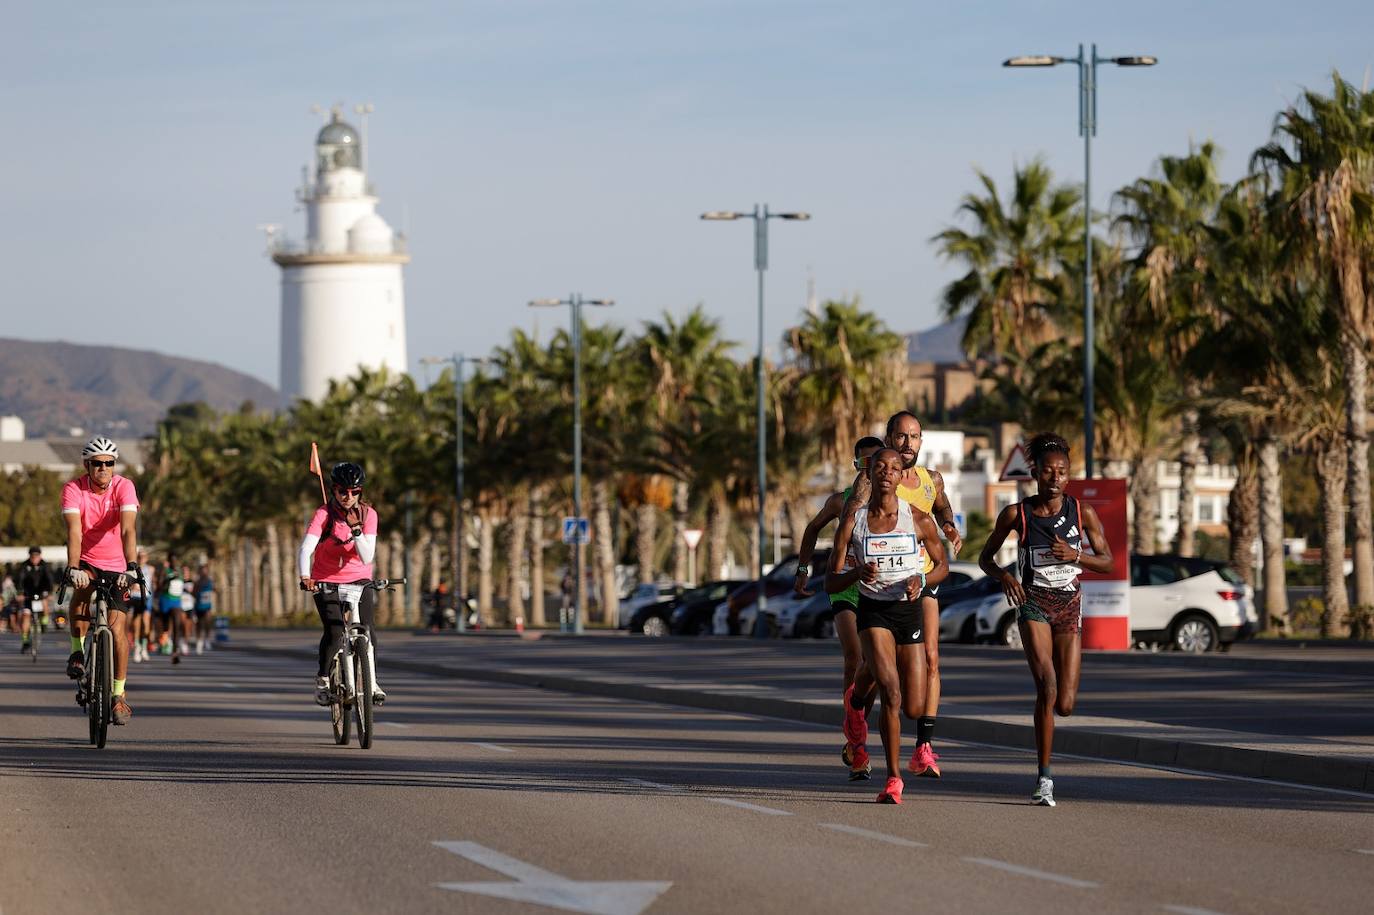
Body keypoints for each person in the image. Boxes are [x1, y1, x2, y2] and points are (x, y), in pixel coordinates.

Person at [977, 432, 1113, 807]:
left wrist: (1076, 555)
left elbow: (1108, 562)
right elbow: (985, 559)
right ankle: (1044, 778)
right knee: (1047, 687)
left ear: (1069, 475)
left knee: (1066, 703)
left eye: (1063, 472)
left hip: (1069, 605)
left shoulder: (1082, 512)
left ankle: (1047, 759)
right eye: (1049, 471)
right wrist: (1005, 577)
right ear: (1036, 472)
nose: (1056, 477)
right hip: (1033, 603)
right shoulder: (1016, 514)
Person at [828, 447, 948, 805]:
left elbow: (942, 566)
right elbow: (830, 582)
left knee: (913, 705)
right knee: (891, 692)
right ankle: (894, 778)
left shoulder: (918, 519)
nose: (886, 472)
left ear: (900, 476)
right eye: (879, 466)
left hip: (907, 611)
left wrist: (922, 581)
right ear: (870, 472)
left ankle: (856, 699)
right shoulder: (854, 521)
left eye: (894, 467)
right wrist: (855, 573)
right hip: (873, 611)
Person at [794, 435, 885, 781]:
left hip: (876, 588)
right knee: (854, 657)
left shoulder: (891, 504)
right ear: (856, 466)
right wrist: (803, 569)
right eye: (864, 462)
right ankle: (855, 740)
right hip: (844, 588)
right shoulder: (841, 501)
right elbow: (812, 528)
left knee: (875, 667)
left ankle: (856, 718)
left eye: (877, 460)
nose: (871, 467)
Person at [884, 411, 963, 778]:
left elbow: (941, 502)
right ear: (889, 438)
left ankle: (923, 748)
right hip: (885, 584)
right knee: (885, 671)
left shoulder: (931, 479)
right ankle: (856, 713)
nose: (908, 444)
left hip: (925, 576)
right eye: (901, 436)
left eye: (914, 437)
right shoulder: (880, 477)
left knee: (932, 657)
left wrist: (947, 523)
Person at [60, 436, 140, 726]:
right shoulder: (73, 489)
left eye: (109, 463)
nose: (103, 468)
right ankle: (77, 652)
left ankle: (118, 695)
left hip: (118, 564)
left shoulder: (124, 487)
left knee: (119, 631)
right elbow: (74, 532)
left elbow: (128, 530)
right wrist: (73, 567)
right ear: (87, 465)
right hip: (86, 560)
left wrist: (131, 566)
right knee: (81, 591)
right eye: (97, 464)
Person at [298, 462, 382, 706]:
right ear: (333, 490)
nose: (348, 497)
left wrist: (356, 529)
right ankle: (323, 680)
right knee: (335, 632)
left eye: (355, 492)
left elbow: (367, 556)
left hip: (359, 579)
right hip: (326, 580)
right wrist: (306, 577)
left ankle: (372, 682)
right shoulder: (324, 515)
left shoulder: (369, 515)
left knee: (368, 631)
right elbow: (306, 549)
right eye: (343, 491)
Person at [17, 546, 55, 654]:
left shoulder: (44, 566)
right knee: (26, 616)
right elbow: (20, 579)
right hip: (28, 594)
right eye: (32, 556)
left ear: (40, 556)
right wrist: (20, 593)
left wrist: (50, 592)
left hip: (41, 592)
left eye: (36, 556)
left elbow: (49, 579)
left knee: (45, 604)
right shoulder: (24, 566)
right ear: (29, 557)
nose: (34, 559)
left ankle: (44, 623)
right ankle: (25, 641)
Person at [157, 555, 187, 664]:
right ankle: (164, 641)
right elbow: (159, 586)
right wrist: (169, 579)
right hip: (165, 600)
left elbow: (183, 584)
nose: (174, 562)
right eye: (172, 560)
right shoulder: (165, 571)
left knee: (176, 624)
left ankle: (175, 651)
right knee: (165, 627)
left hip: (176, 601)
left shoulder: (180, 572)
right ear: (169, 562)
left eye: (176, 560)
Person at [130, 548, 156, 662]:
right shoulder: (132, 569)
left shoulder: (151, 569)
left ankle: (144, 646)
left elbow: (153, 585)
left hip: (147, 597)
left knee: (146, 622)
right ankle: (137, 647)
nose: (141, 558)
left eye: (144, 556)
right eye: (139, 556)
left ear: (147, 558)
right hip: (135, 597)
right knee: (136, 622)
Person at [192, 564, 215, 653]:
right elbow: (193, 593)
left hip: (207, 605)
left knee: (208, 621)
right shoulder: (197, 582)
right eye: (202, 570)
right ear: (200, 572)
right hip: (199, 605)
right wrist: (197, 594)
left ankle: (207, 639)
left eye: (205, 570)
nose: (204, 572)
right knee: (199, 624)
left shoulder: (210, 580)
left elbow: (214, 589)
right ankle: (199, 642)